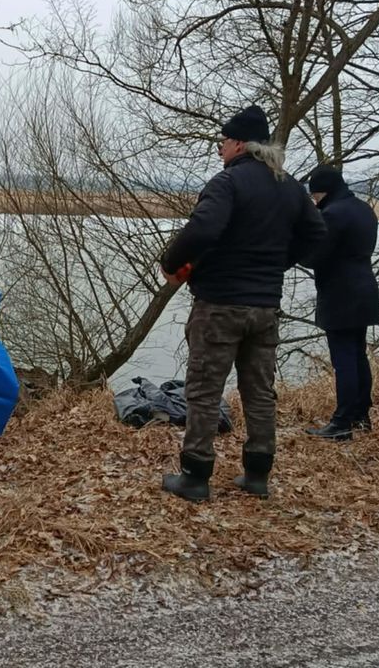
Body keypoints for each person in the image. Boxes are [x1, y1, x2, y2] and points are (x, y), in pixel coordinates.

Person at [159, 105, 327, 502]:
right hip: (265, 306)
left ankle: (195, 476)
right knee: (259, 392)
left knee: (203, 391)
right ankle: (257, 474)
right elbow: (317, 235)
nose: (219, 149)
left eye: (222, 142)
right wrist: (277, 263)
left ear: (238, 144)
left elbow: (203, 228)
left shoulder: (228, 183)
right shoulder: (289, 186)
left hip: (219, 304)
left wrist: (170, 262)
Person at [303, 165, 379, 440]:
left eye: (314, 195)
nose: (314, 199)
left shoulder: (332, 214)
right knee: (358, 355)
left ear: (323, 191)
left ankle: (342, 422)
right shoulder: (364, 209)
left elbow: (314, 256)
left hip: (340, 293)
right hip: (365, 287)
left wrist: (297, 247)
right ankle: (361, 416)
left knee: (344, 358)